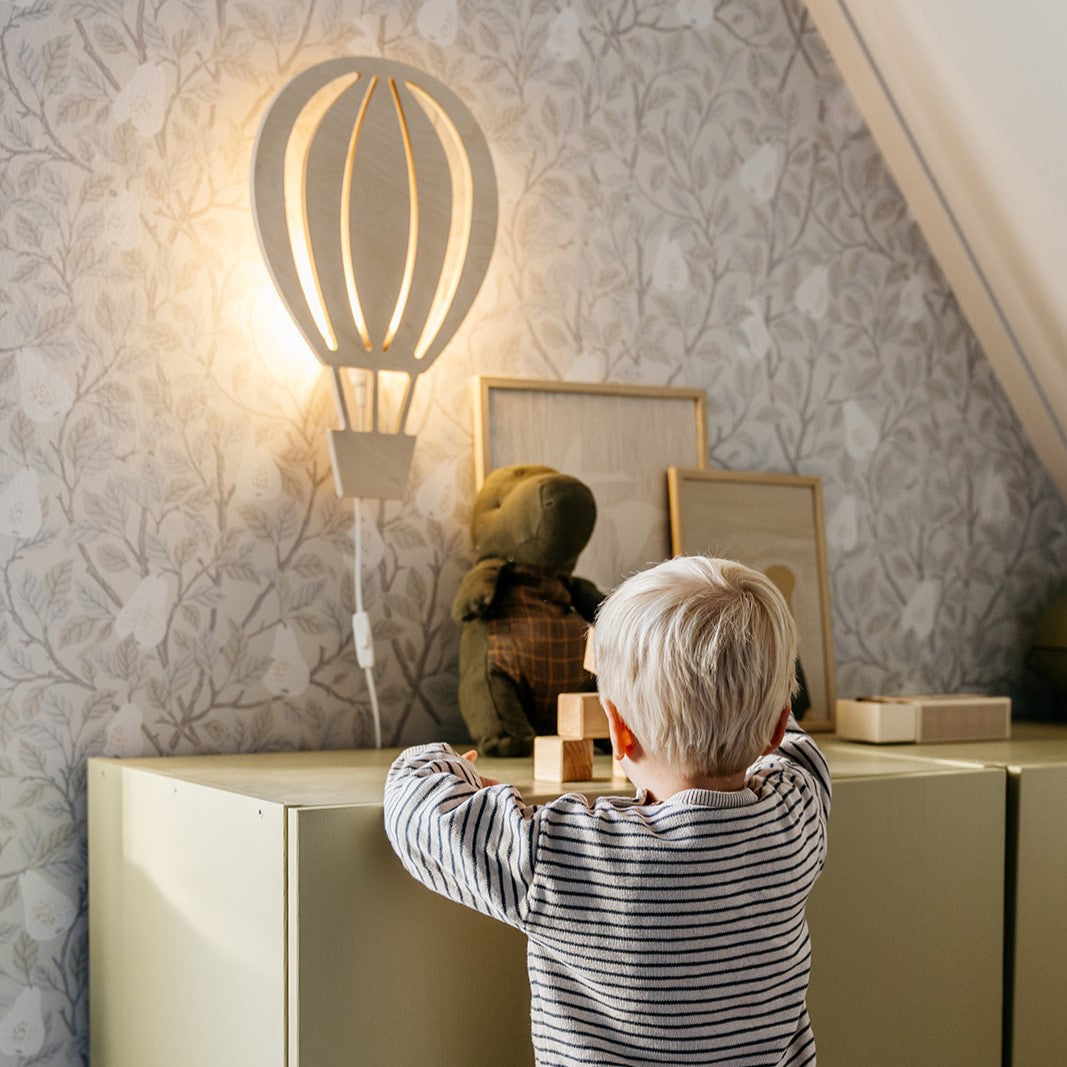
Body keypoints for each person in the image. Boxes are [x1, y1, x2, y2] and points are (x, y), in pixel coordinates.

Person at [384, 556, 831, 1066]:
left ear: (617, 731)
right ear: (773, 727)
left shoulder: (569, 855)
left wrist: (438, 763)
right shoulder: (795, 819)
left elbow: (419, 813)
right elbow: (796, 747)